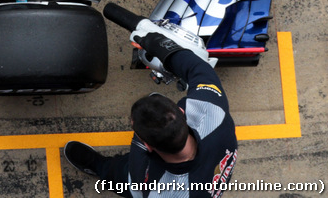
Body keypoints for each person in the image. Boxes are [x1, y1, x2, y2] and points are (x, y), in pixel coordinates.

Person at [63, 20, 237, 196]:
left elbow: (136, 168)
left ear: (146, 145)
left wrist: (158, 44)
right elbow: (199, 69)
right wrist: (163, 46)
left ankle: (98, 166)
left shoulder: (150, 186)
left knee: (119, 173)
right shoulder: (214, 114)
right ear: (182, 113)